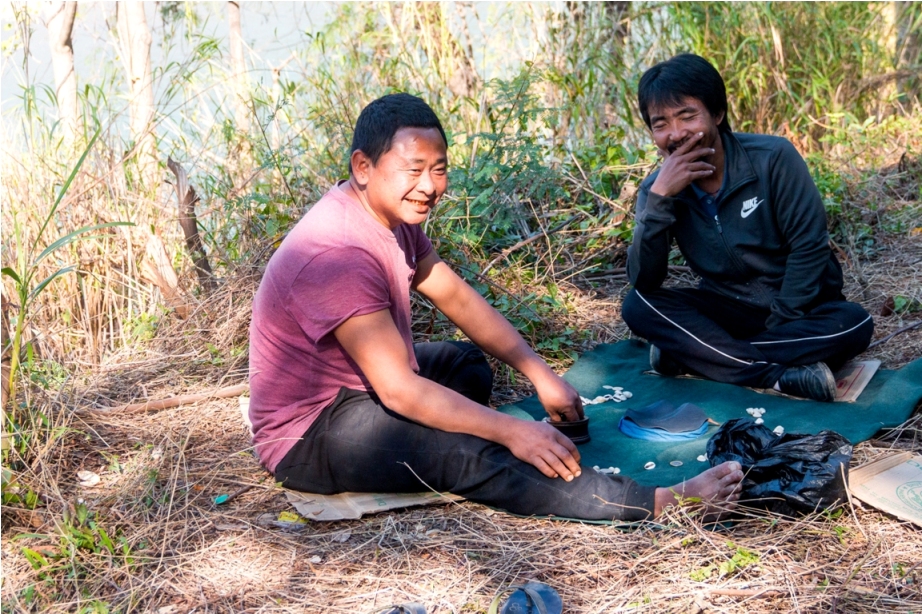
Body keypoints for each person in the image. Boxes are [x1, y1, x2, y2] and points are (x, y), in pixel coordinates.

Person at [248, 92, 742, 522]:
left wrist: (538, 372)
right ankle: (658, 501)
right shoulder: (337, 253)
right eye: (413, 170)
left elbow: (455, 296)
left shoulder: (390, 216)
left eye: (438, 170)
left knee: (465, 363)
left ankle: (448, 438)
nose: (428, 185)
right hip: (310, 432)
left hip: (364, 388)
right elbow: (399, 391)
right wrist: (510, 430)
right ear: (363, 167)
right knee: (470, 450)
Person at [622, 54, 874, 402]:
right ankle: (775, 376)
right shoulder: (657, 190)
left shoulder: (773, 158)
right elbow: (646, 280)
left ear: (718, 113)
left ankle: (695, 356)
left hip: (801, 310)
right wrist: (661, 198)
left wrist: (782, 320)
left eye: (687, 116)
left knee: (856, 323)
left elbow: (810, 247)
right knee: (638, 305)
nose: (676, 134)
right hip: (729, 309)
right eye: (660, 123)